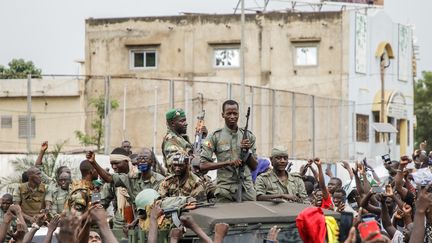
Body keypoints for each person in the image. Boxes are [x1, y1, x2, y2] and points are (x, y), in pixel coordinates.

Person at [200, 100, 258, 203]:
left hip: (247, 190)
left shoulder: (248, 136)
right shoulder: (214, 136)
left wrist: (247, 152)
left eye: (235, 113)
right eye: (229, 113)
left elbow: (254, 167)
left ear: (239, 114)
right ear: (223, 115)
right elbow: (203, 165)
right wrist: (228, 163)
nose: (232, 117)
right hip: (225, 191)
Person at [162, 108, 207, 174]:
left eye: (185, 120)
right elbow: (174, 162)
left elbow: (194, 151)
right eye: (182, 121)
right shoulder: (171, 140)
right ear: (172, 123)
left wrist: (202, 137)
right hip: (180, 181)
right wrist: (191, 159)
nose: (186, 123)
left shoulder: (181, 138)